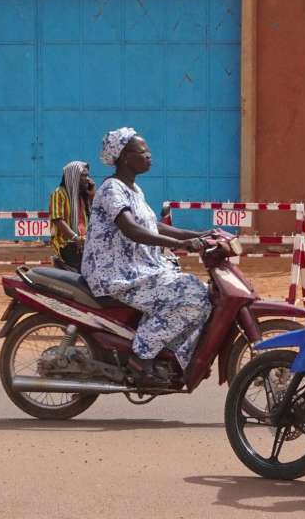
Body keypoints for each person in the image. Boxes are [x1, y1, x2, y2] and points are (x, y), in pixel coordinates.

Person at [81, 128, 214, 386]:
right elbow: (131, 228)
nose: (149, 156)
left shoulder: (134, 189)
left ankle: (172, 356)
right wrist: (181, 244)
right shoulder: (111, 189)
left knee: (201, 296)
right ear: (124, 157)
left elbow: (154, 225)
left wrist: (200, 234)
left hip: (140, 268)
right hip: (117, 274)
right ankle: (141, 357)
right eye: (143, 152)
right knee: (193, 294)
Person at [48, 161, 94, 270]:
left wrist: (92, 194)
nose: (87, 179)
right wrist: (75, 238)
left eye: (87, 175)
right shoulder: (58, 194)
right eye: (83, 175)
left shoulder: (83, 195)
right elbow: (58, 220)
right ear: (73, 176)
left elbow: (94, 215)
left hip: (84, 242)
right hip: (66, 244)